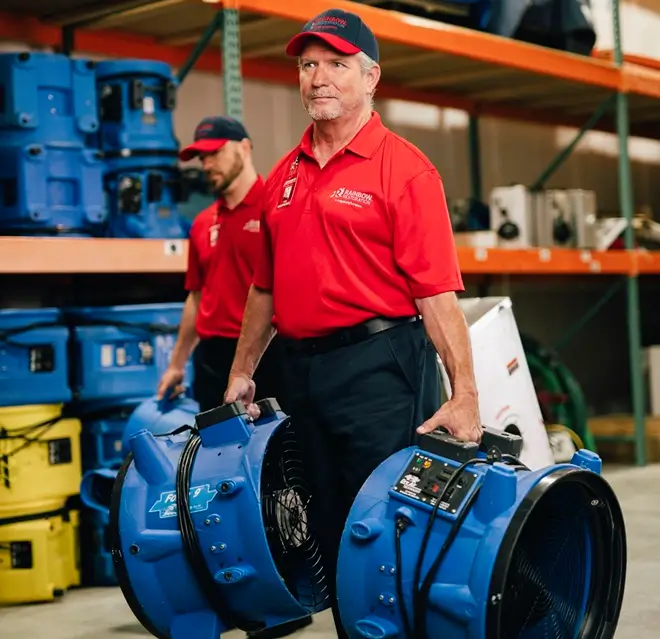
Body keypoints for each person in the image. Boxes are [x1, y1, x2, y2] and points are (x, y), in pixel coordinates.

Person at [224, 8, 482, 638]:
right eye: (308, 65)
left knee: (388, 521)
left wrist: (466, 394)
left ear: (371, 78)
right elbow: (264, 286)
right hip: (301, 369)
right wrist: (241, 369)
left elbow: (437, 295)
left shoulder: (406, 170)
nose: (319, 78)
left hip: (380, 367)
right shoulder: (282, 177)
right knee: (327, 521)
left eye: (336, 64)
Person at [156, 115, 312, 638]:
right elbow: (195, 298)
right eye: (199, 157)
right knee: (215, 478)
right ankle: (228, 589)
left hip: (268, 356)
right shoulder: (202, 224)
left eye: (214, 152)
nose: (206, 164)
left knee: (273, 478)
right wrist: (178, 362)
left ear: (244, 148)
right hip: (211, 361)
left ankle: (284, 590)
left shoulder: (276, 203)